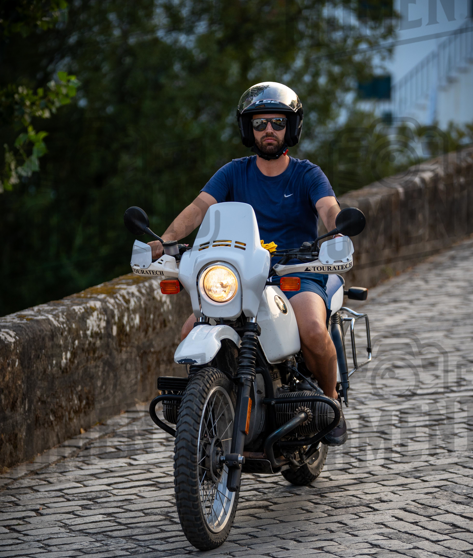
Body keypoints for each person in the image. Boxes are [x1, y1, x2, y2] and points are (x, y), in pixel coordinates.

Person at [148, 81, 347, 445]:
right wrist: (165, 240)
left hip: (295, 274)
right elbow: (198, 208)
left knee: (313, 330)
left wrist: (338, 231)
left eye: (277, 122)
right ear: (248, 129)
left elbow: (328, 208)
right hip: (241, 277)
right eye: (259, 123)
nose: (268, 130)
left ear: (291, 127)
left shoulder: (307, 174)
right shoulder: (233, 172)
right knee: (190, 330)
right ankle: (213, 405)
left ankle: (332, 403)